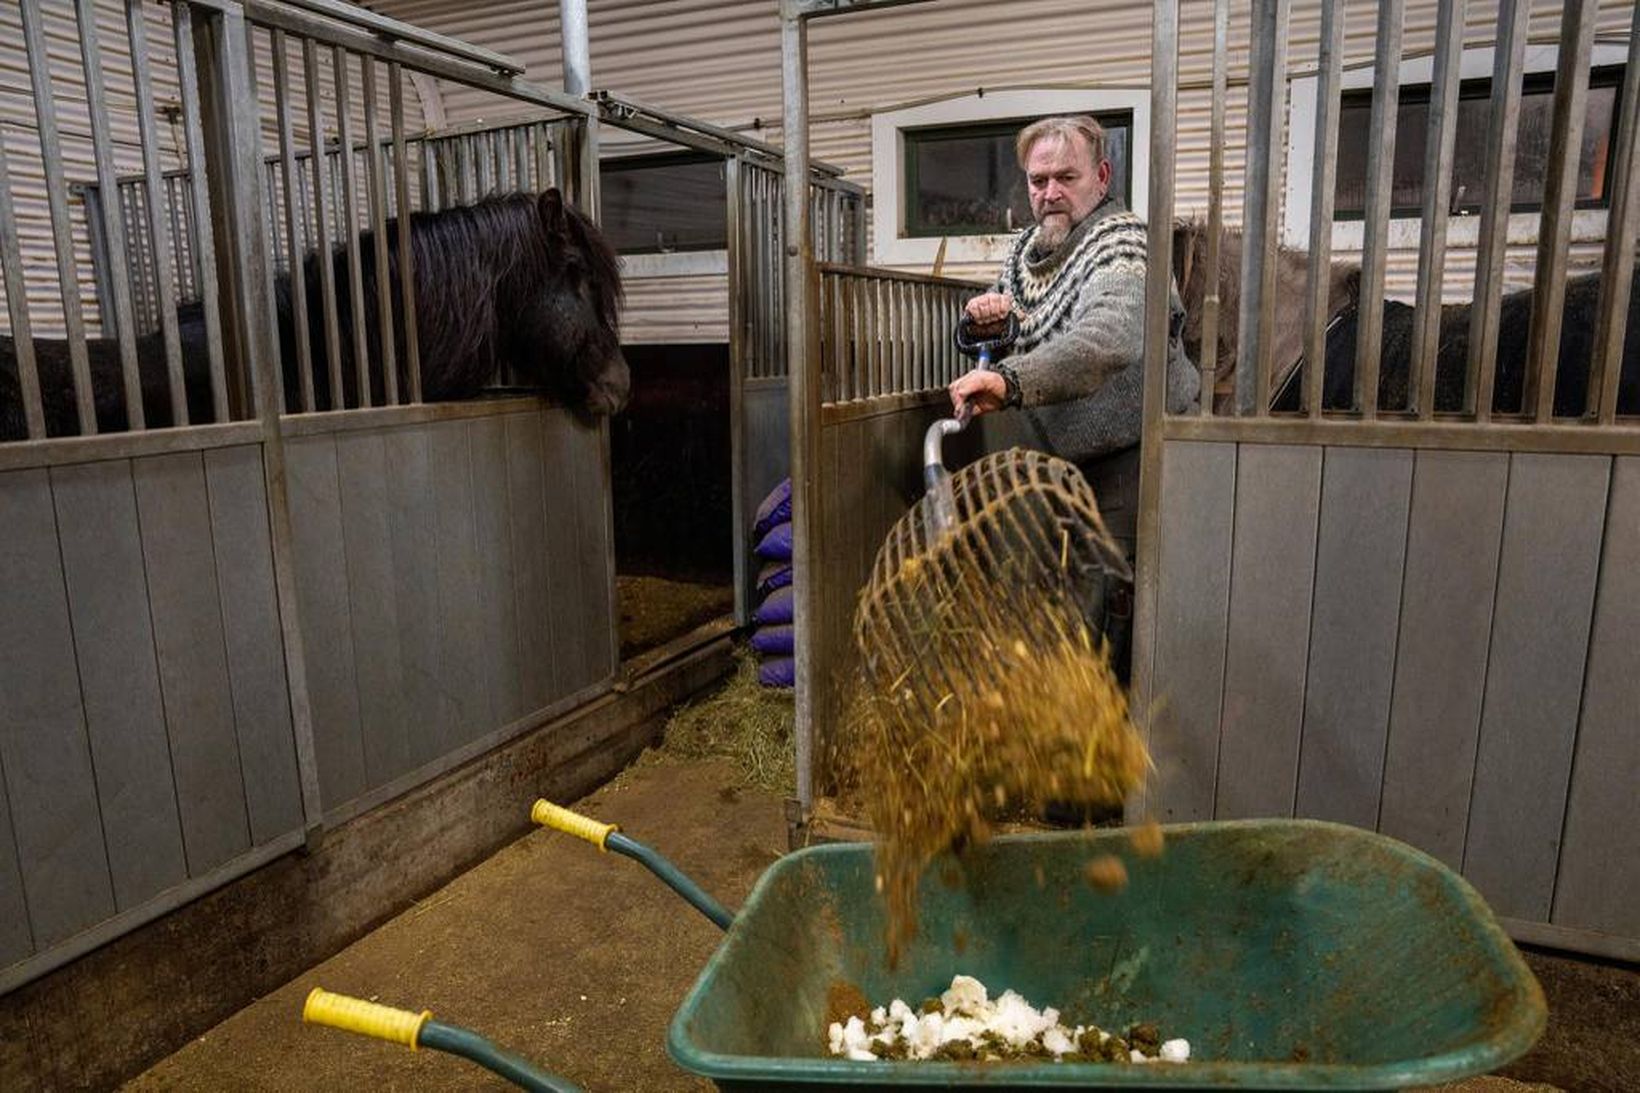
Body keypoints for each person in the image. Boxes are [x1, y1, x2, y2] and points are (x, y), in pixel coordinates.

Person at [948, 115, 1201, 563]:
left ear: (1101, 177)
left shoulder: (1124, 242)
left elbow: (1106, 340)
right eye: (1038, 180)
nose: (1050, 194)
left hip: (1133, 463)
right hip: (1058, 466)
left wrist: (1009, 382)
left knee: (1111, 600)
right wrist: (984, 323)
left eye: (1066, 177)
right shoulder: (1027, 247)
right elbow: (1017, 315)